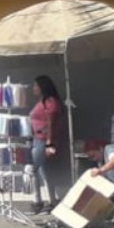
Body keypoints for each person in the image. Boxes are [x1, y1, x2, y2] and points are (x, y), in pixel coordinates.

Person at [30, 74, 70, 213]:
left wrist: (49, 143)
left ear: (42, 87)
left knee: (30, 169)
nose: (33, 88)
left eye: (36, 85)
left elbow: (52, 123)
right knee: (45, 172)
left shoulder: (50, 101)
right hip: (37, 139)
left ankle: (37, 200)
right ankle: (52, 200)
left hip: (44, 140)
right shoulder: (41, 101)